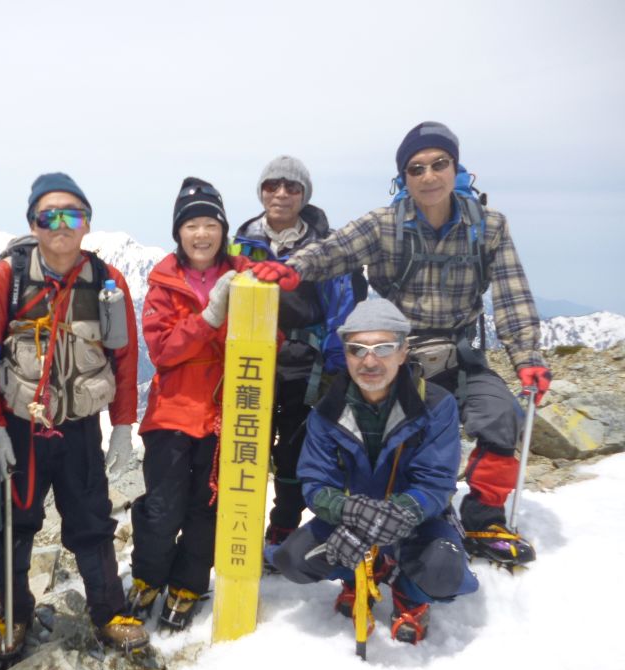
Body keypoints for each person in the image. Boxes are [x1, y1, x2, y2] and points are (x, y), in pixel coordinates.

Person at [253, 122, 551, 567]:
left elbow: (511, 292)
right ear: (404, 177)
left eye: (439, 164)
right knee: (388, 433)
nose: (429, 176)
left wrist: (527, 357)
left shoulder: (488, 227)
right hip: (396, 355)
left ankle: (483, 519)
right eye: (417, 168)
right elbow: (335, 250)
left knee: (501, 416)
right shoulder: (384, 225)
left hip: (458, 352)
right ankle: (391, 514)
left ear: (456, 167)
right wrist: (295, 269)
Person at [0, 172, 147, 656]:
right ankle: (12, 614)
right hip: (20, 425)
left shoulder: (107, 280)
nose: (60, 225)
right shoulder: (7, 277)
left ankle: (109, 613)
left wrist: (121, 429)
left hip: (78, 428)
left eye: (71, 214)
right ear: (32, 222)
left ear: (87, 224)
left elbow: (125, 356)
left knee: (90, 520)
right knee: (15, 521)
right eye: (47, 215)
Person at [271, 299, 479, 643]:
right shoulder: (327, 411)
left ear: (402, 351)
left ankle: (409, 592)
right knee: (293, 559)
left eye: (383, 348)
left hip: (417, 523)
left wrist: (388, 517)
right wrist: (351, 512)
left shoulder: (435, 405)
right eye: (357, 349)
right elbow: (316, 482)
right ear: (346, 354)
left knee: (443, 569)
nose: (369, 360)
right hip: (349, 523)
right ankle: (360, 575)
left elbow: (435, 484)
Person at [128, 177, 252, 629]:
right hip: (173, 413)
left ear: (223, 229)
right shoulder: (163, 282)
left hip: (228, 413)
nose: (202, 234)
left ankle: (189, 583)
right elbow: (161, 350)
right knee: (162, 506)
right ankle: (148, 577)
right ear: (179, 233)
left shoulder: (246, 275)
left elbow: (266, 334)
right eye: (192, 225)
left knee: (209, 505)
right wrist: (211, 319)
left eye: (210, 224)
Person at [232, 156, 364, 550]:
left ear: (304, 195)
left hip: (305, 365)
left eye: (292, 187)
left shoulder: (326, 246)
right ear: (261, 191)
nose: (281, 194)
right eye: (273, 185)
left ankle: (283, 525)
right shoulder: (240, 242)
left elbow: (344, 306)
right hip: (249, 359)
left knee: (292, 449)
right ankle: (239, 525)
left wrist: (338, 369)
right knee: (247, 444)